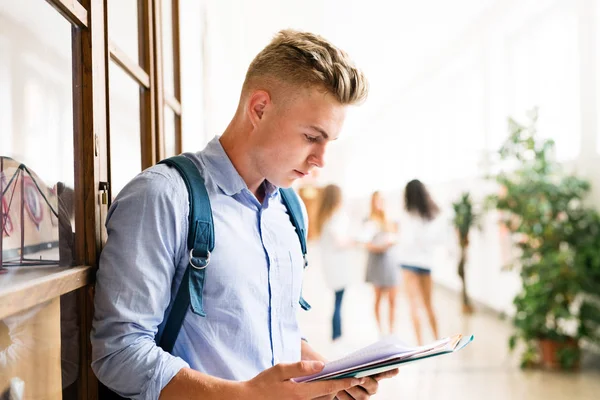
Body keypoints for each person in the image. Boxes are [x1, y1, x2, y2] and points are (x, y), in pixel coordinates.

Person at [91, 30, 397, 400]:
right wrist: (244, 395)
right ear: (260, 108)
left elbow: (266, 330)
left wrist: (326, 378)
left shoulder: (289, 210)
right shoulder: (162, 197)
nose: (320, 161)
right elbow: (119, 352)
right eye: (311, 137)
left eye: (328, 142)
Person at [396, 179, 442, 345]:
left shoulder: (407, 214)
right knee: (429, 304)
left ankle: (420, 344)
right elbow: (436, 239)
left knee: (414, 305)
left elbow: (405, 241)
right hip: (426, 264)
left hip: (408, 263)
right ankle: (438, 341)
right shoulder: (431, 214)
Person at [313, 184, 354, 342]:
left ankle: (337, 333)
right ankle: (337, 335)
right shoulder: (335, 218)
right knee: (338, 302)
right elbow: (339, 241)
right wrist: (355, 241)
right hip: (338, 267)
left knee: (337, 300)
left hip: (330, 266)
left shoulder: (323, 218)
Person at [364, 191, 399, 335]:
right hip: (377, 261)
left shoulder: (390, 220)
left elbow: (397, 237)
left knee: (392, 299)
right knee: (378, 298)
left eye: (381, 201)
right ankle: (380, 330)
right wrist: (379, 247)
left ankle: (391, 330)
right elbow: (366, 243)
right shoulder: (368, 220)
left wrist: (391, 243)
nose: (379, 204)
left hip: (390, 261)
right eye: (376, 201)